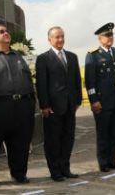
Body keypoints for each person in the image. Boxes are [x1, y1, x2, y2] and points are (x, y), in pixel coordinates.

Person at [0, 24, 35, 188]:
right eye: (1, 32)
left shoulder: (18, 55)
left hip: (22, 107)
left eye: (6, 31)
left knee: (20, 142)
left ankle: (19, 174)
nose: (6, 33)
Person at [35, 26, 82, 182]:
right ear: (50, 40)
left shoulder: (72, 57)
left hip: (70, 106)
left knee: (68, 138)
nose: (60, 39)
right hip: (53, 108)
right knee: (53, 140)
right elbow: (41, 84)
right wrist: (45, 106)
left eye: (62, 36)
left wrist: (78, 101)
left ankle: (65, 168)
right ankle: (55, 171)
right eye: (57, 37)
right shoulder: (43, 59)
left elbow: (76, 81)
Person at [85, 22, 115, 172]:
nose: (110, 38)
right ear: (100, 38)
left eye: (111, 35)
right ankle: (103, 163)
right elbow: (90, 82)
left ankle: (112, 161)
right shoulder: (93, 55)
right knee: (103, 134)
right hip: (102, 103)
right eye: (106, 35)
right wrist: (94, 101)